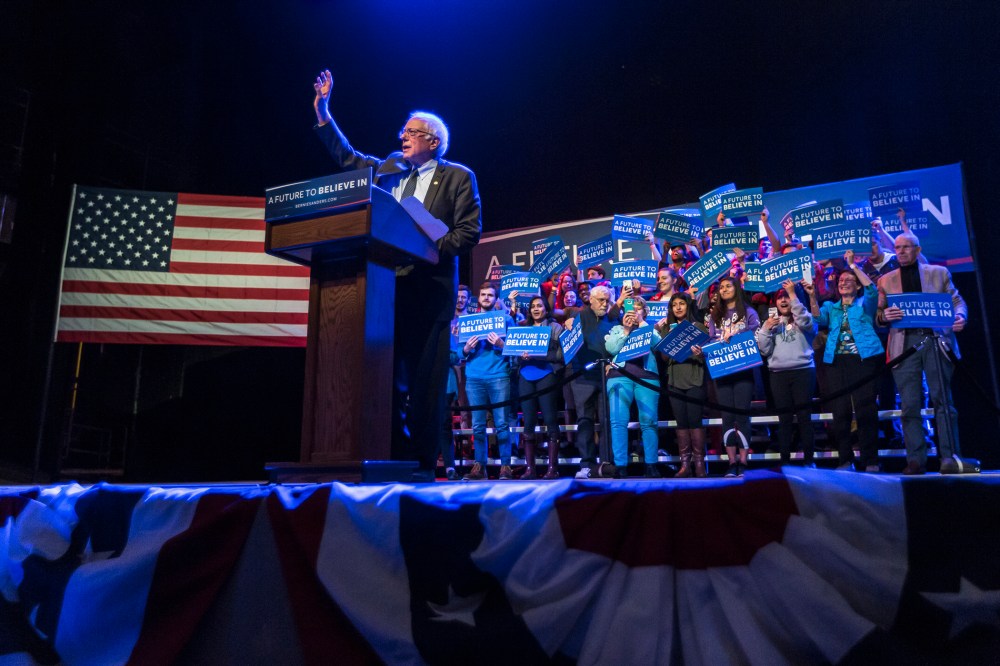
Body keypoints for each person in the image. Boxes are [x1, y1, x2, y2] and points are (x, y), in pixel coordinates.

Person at [312, 70, 481, 482]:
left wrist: (426, 248)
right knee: (385, 379)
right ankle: (389, 459)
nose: (402, 135)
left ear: (433, 141)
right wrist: (323, 111)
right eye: (403, 130)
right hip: (386, 290)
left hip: (430, 290)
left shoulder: (458, 176)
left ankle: (423, 466)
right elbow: (350, 160)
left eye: (411, 131)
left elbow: (468, 232)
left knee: (425, 386)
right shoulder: (390, 171)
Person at [877, 231, 968, 474]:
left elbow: (957, 301)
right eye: (897, 248)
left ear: (918, 250)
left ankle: (949, 457)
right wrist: (884, 316)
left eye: (907, 247)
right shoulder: (886, 280)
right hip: (904, 344)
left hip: (936, 340)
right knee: (909, 405)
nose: (901, 252)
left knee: (943, 401)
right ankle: (915, 459)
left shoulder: (938, 273)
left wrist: (960, 316)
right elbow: (879, 314)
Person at [809, 251, 884, 472]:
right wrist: (812, 297)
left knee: (865, 410)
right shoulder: (830, 308)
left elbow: (872, 289)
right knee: (839, 412)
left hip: (863, 360)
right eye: (841, 281)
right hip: (835, 362)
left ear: (857, 285)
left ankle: (870, 460)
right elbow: (817, 318)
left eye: (848, 281)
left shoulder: (865, 303)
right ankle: (845, 460)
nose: (844, 283)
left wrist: (853, 267)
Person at [697, 275, 760, 477]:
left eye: (728, 286)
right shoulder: (715, 315)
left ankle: (744, 461)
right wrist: (702, 350)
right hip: (722, 370)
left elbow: (757, 336)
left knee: (742, 415)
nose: (723, 290)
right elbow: (711, 341)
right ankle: (731, 462)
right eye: (721, 287)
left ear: (737, 289)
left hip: (743, 368)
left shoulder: (748, 312)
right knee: (727, 416)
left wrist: (737, 336)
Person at [756, 279, 817, 466]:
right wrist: (766, 329)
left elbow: (807, 322)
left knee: (805, 418)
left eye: (787, 298)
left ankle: (809, 461)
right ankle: (785, 462)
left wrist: (793, 294)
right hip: (778, 374)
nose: (784, 301)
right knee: (784, 420)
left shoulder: (803, 317)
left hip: (803, 371)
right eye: (780, 298)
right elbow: (764, 350)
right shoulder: (770, 323)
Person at [604, 296, 664, 477]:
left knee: (649, 421)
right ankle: (620, 466)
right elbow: (611, 348)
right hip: (619, 377)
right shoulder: (616, 329)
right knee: (618, 421)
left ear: (645, 312)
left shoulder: (650, 328)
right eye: (631, 308)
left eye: (639, 309)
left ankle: (651, 465)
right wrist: (627, 330)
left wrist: (642, 323)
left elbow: (658, 344)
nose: (634, 311)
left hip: (647, 377)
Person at [461, 283, 516, 480]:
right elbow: (459, 352)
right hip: (474, 377)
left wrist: (502, 344)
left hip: (499, 375)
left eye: (490, 295)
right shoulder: (467, 321)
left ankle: (506, 466)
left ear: (496, 298)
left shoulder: (507, 319)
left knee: (501, 423)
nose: (486, 298)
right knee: (478, 425)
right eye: (483, 294)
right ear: (478, 297)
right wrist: (466, 348)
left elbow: (516, 347)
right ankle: (480, 466)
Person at [563, 285, 618, 478]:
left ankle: (605, 463)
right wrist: (569, 323)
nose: (605, 304)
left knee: (606, 421)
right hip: (582, 377)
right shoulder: (579, 316)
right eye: (601, 300)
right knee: (585, 421)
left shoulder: (613, 318)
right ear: (591, 300)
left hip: (606, 377)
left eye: (608, 300)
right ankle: (586, 465)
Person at [515, 295, 565, 479]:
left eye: (540, 306)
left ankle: (553, 469)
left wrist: (539, 355)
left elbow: (560, 355)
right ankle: (530, 469)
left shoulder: (555, 328)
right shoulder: (521, 328)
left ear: (546, 309)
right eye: (533, 306)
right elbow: (513, 352)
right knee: (528, 422)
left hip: (546, 375)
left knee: (550, 419)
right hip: (526, 376)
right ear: (529, 310)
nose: (536, 309)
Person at [664, 293, 709, 477]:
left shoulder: (698, 328)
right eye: (675, 305)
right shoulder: (668, 329)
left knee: (694, 421)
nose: (678, 307)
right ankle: (685, 465)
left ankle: (699, 464)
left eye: (682, 303)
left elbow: (706, 355)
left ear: (688, 306)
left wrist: (699, 354)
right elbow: (664, 357)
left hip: (694, 380)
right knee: (681, 423)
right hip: (675, 381)